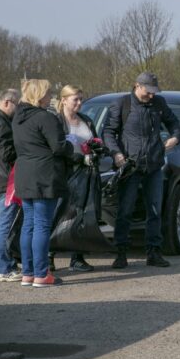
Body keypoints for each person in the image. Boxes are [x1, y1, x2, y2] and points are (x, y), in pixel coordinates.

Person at [102, 72, 180, 269]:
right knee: (125, 210)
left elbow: (174, 123)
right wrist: (116, 154)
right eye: (148, 91)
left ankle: (154, 252)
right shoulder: (122, 104)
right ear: (137, 86)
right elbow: (108, 132)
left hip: (154, 165)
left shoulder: (159, 104)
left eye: (154, 91)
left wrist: (175, 137)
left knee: (154, 210)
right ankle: (121, 252)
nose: (151, 95)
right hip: (130, 167)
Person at [13, 79, 74, 287]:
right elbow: (58, 147)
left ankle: (28, 273)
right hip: (44, 175)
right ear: (39, 96)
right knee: (41, 225)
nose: (50, 97)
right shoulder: (45, 118)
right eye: (48, 94)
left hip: (25, 174)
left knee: (28, 224)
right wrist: (72, 149)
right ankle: (41, 274)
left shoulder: (18, 118)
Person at [56, 85, 100, 272]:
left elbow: (96, 142)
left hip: (85, 173)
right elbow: (56, 148)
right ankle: (50, 256)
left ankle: (77, 257)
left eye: (81, 99)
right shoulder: (56, 121)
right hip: (64, 174)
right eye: (75, 99)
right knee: (58, 214)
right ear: (64, 100)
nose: (79, 103)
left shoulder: (87, 121)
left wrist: (97, 151)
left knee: (80, 215)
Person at [0, 88, 21, 282]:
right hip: (5, 181)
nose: (18, 108)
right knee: (5, 226)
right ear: (7, 102)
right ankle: (4, 267)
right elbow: (6, 154)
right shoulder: (3, 124)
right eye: (17, 104)